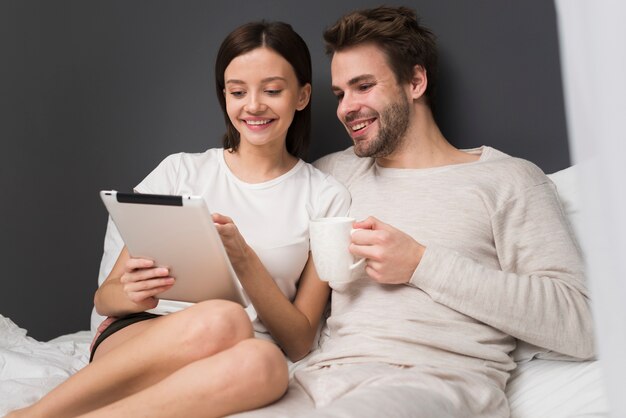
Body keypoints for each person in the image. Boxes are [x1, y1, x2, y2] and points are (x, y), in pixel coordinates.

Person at [230, 6, 595, 418]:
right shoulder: (332, 176)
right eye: (340, 94)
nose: (346, 108)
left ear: (415, 81)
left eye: (363, 86)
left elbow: (582, 324)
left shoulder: (507, 180)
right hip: (318, 379)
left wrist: (422, 263)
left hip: (432, 383)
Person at [7, 20, 349, 418]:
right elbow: (105, 297)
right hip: (140, 338)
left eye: (272, 90)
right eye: (238, 92)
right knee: (224, 317)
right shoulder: (180, 173)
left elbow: (299, 342)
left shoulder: (325, 196)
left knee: (269, 365)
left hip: (238, 355)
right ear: (225, 97)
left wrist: (244, 260)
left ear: (303, 95)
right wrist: (134, 293)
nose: (253, 105)